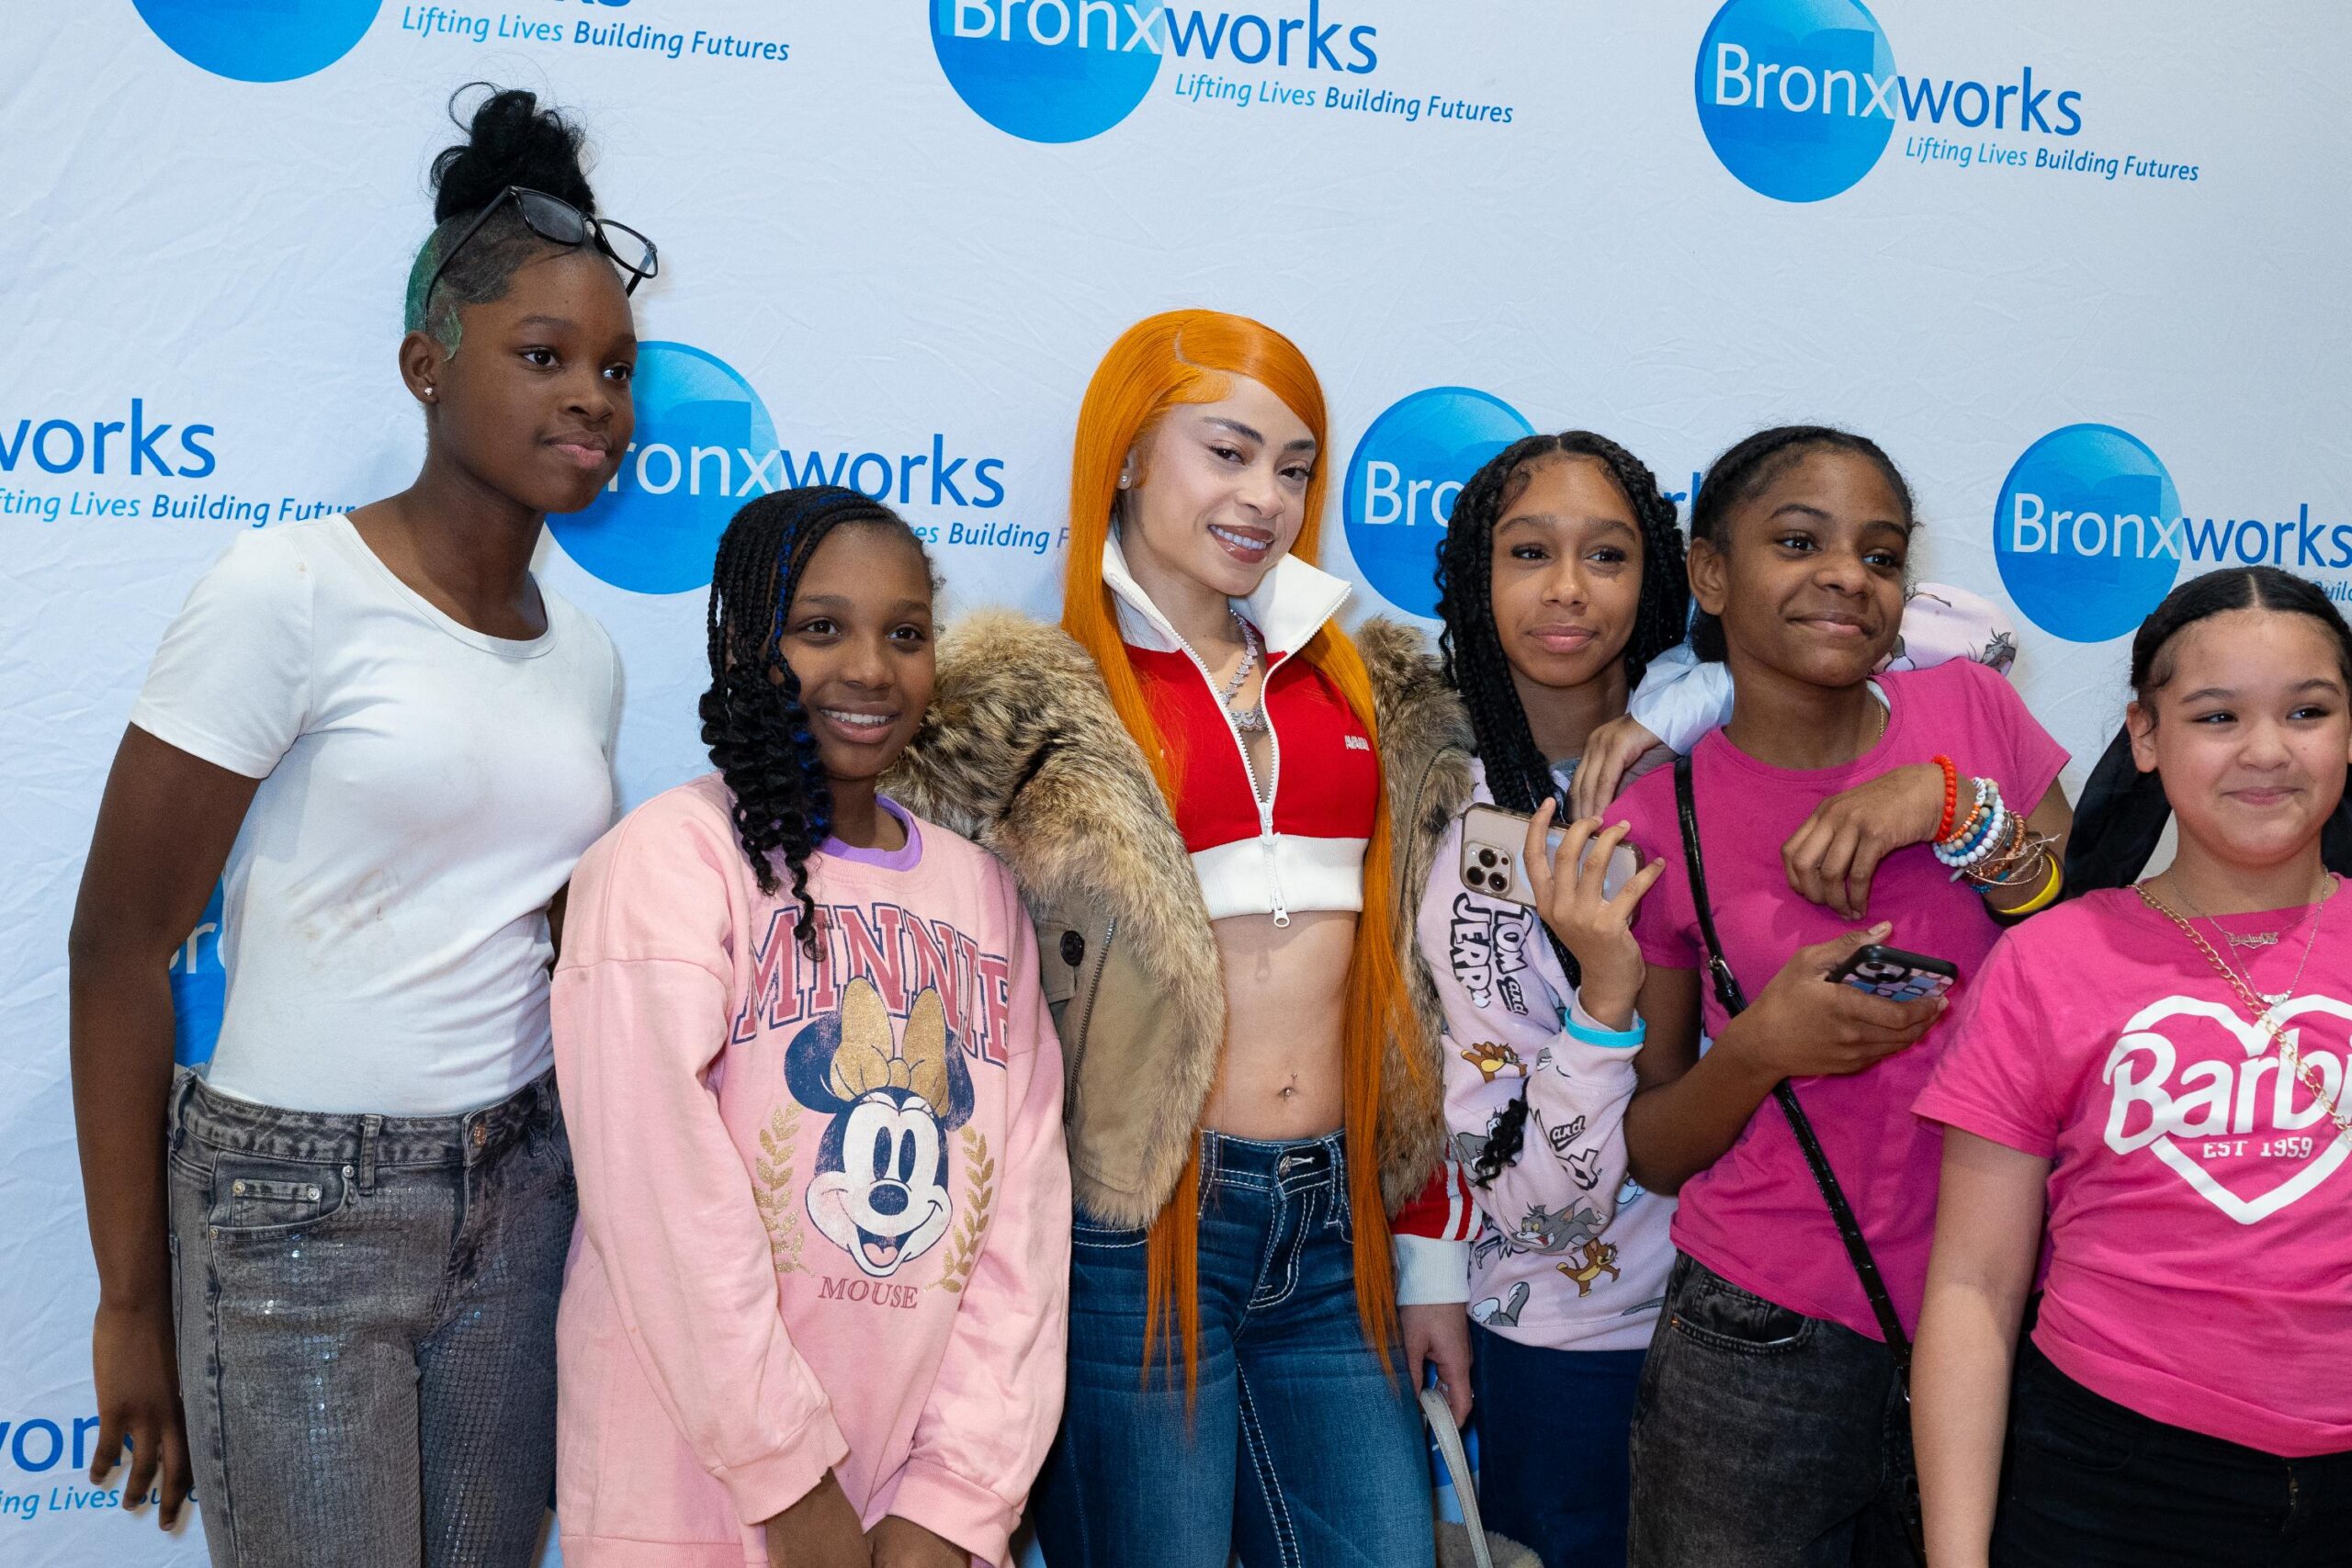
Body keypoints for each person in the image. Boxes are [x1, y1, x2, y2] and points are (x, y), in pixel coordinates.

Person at [67, 85, 647, 1565]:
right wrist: (133, 1298)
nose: (591, 397)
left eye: (614, 369)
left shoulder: (586, 659)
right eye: (542, 356)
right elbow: (120, 946)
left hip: (522, 1199)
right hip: (294, 1211)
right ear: (426, 366)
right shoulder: (289, 594)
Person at [888, 310, 1453, 1567]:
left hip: (1332, 1217)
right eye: (1229, 451)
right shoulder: (1026, 700)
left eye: (1297, 466)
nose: (1267, 496)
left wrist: (1428, 1249)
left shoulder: (1365, 687)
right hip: (1133, 1227)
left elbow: (1421, 975)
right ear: (1131, 455)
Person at [551, 488, 1069, 1568]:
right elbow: (661, 1203)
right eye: (820, 628)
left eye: (906, 633)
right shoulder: (669, 863)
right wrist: (790, 1486)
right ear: (748, 642)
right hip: (694, 1498)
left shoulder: (981, 895)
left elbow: (1019, 1223)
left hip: (913, 1513)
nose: (871, 669)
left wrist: (954, 1501)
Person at [1609, 426, 2072, 1566]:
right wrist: (1762, 1047)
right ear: (1711, 574)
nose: (1845, 578)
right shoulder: (1658, 823)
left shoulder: (1972, 717)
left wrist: (1956, 808)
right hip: (1755, 1338)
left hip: (2007, 1309)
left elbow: (2089, 973)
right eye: (1798, 541)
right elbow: (1654, 1146)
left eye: (1880, 554)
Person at [1914, 566, 2352, 1565]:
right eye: (2215, 716)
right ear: (2145, 738)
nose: (2266, 751)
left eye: (2307, 710)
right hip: (2111, 1488)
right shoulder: (2049, 962)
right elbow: (1975, 1286)